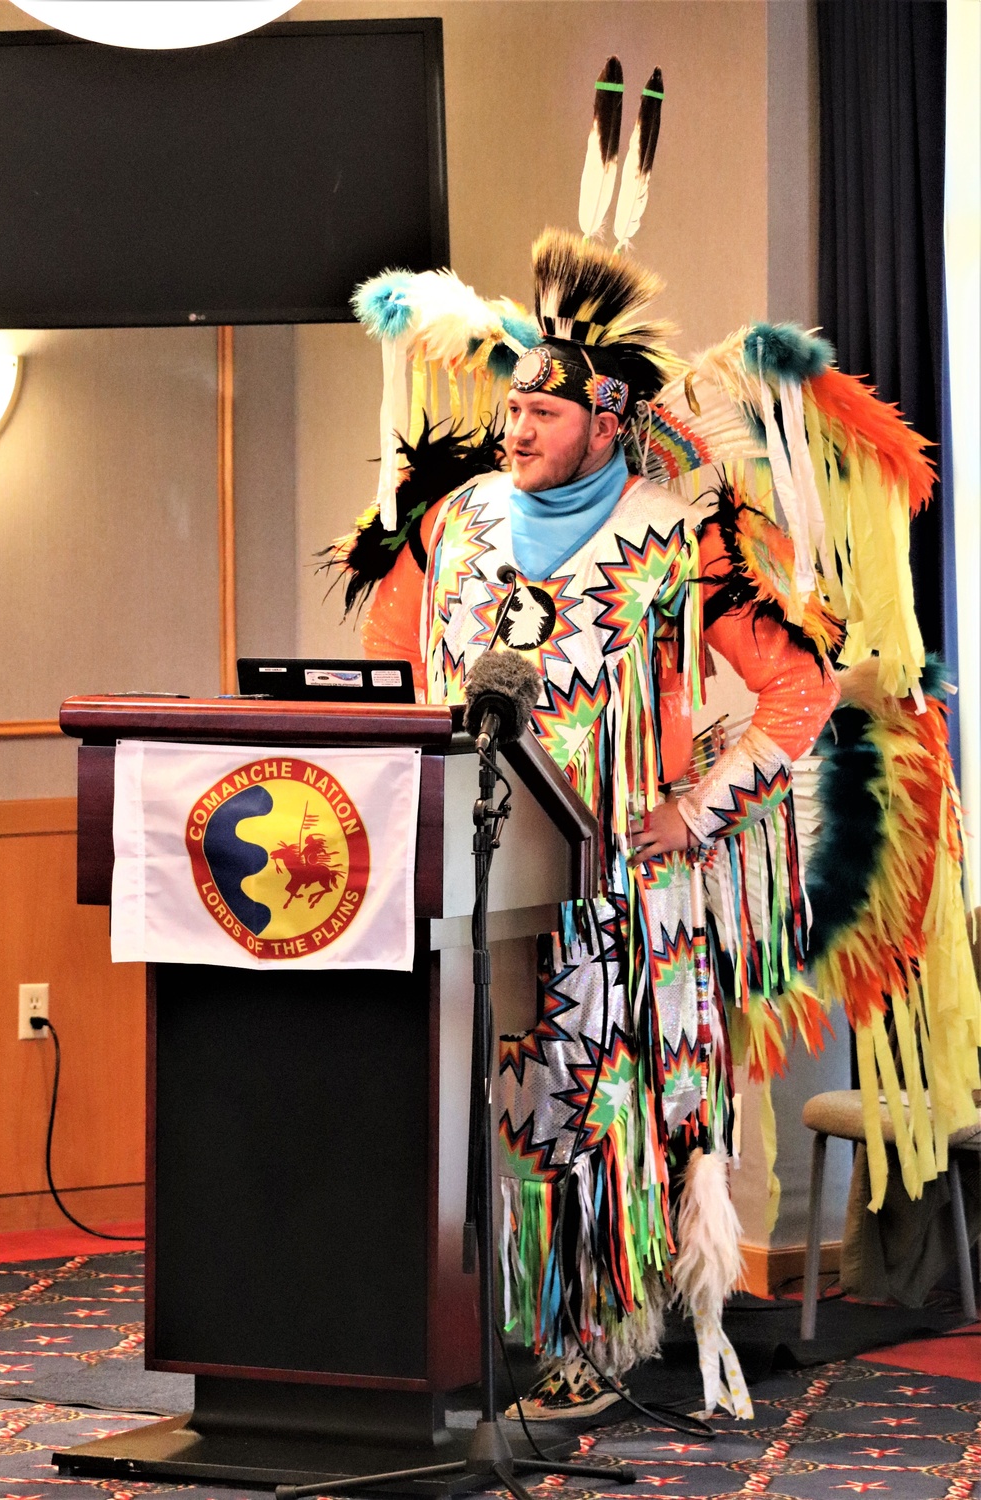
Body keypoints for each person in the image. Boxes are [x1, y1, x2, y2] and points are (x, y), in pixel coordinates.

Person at [352, 230, 841, 1421]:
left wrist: (697, 806)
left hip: (614, 881)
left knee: (587, 1097)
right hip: (461, 870)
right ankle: (467, 1326)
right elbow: (375, 671)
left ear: (607, 422)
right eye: (512, 404)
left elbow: (801, 689)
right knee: (472, 1093)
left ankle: (587, 1334)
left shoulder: (680, 536)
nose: (516, 426)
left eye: (544, 412)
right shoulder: (454, 520)